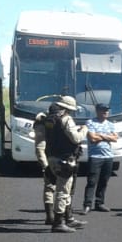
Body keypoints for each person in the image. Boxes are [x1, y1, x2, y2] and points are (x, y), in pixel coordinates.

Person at [44, 96, 88, 233]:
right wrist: (84, 130)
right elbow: (76, 139)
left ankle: (69, 218)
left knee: (64, 189)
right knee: (63, 191)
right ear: (69, 108)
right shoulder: (66, 119)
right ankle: (58, 223)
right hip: (65, 159)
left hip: (52, 157)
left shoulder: (50, 118)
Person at [82, 103, 118, 214]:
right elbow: (92, 138)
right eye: (103, 110)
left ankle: (100, 203)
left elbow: (115, 138)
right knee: (92, 181)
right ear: (97, 111)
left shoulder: (110, 124)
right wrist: (107, 137)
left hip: (108, 157)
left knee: (104, 181)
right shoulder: (90, 122)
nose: (105, 112)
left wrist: (101, 136)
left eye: (107, 110)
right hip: (95, 157)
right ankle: (87, 205)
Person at [33, 105, 59, 225]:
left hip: (60, 158)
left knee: (63, 189)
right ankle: (51, 216)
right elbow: (40, 148)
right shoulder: (43, 124)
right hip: (51, 159)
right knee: (51, 187)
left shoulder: (61, 121)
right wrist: (46, 166)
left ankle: (58, 216)